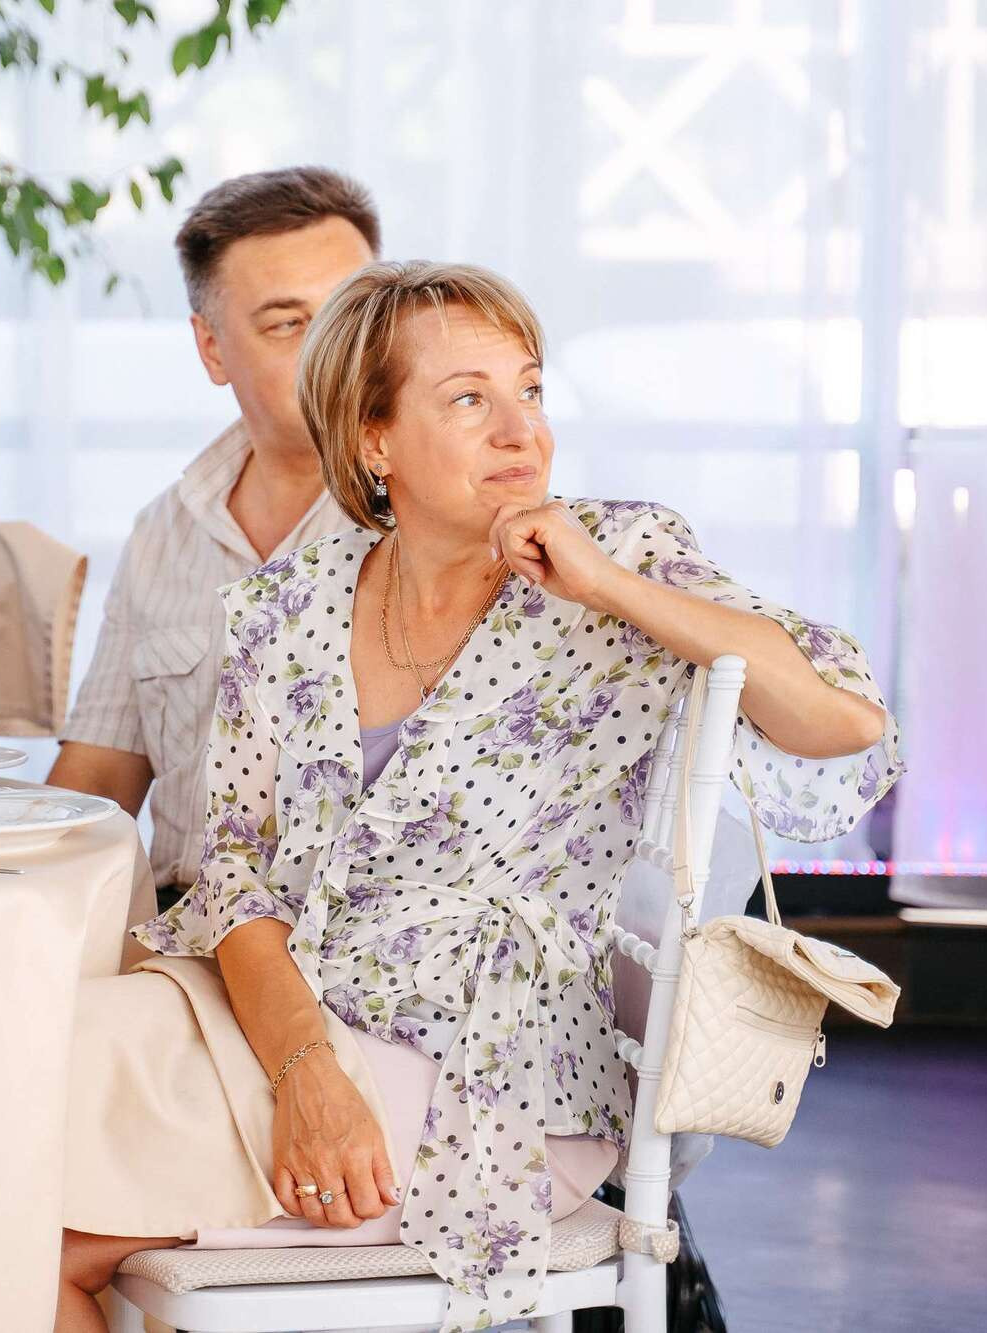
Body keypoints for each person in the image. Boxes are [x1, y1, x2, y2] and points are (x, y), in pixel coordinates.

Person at [55, 262, 901, 1332]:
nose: (521, 431)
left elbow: (842, 717)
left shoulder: (621, 557)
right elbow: (234, 872)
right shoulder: (280, 610)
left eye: (531, 390)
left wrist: (605, 586)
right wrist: (307, 1068)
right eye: (468, 399)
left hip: (496, 1071)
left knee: (29, 1242)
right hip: (287, 1025)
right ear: (373, 439)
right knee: (10, 1113)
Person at [47, 167, 375, 894]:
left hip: (357, 952)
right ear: (213, 349)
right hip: (180, 932)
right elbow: (94, 787)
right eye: (289, 323)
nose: (334, 349)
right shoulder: (164, 532)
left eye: (353, 312)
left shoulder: (436, 519)